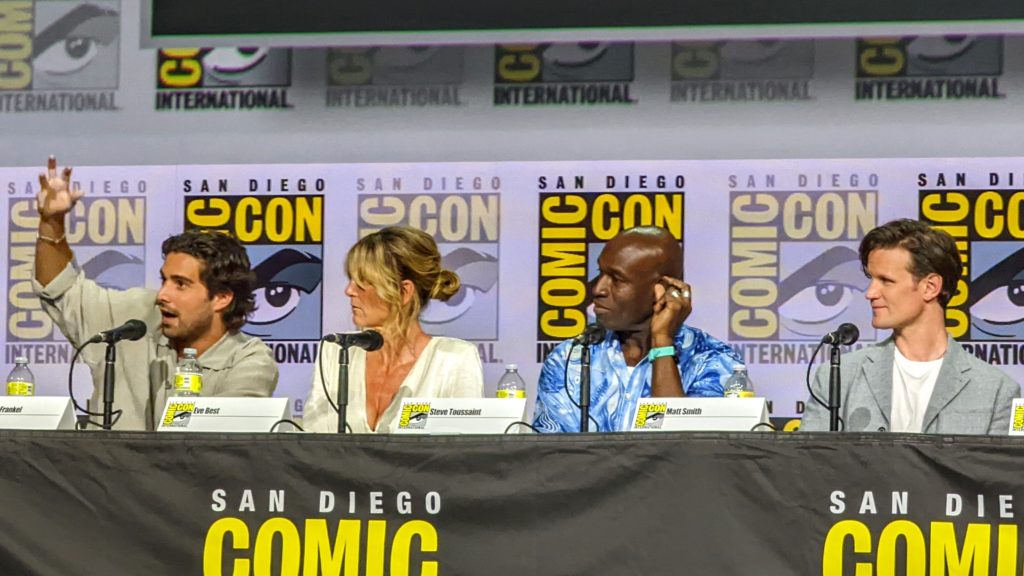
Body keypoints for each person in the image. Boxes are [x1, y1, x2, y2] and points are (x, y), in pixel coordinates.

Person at [32, 157, 278, 430]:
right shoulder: (135, 316)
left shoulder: (250, 361)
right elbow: (61, 289)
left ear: (222, 297)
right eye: (164, 280)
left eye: (181, 284)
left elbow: (215, 442)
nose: (162, 294)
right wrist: (51, 222)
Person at [802, 219, 1020, 434]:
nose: (870, 293)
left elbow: (1000, 468)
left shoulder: (998, 391)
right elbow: (807, 462)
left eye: (886, 280)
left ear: (930, 287)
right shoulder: (839, 376)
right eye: (871, 278)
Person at [533, 226, 741, 433]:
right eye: (600, 273)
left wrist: (661, 341)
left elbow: (683, 448)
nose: (598, 289)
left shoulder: (712, 360)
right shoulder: (570, 358)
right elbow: (551, 456)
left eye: (617, 279)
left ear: (661, 289)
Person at [303, 226, 484, 433]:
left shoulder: (453, 358)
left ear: (403, 292)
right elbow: (313, 441)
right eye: (351, 280)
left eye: (362, 282)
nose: (349, 291)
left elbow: (465, 452)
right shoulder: (337, 350)